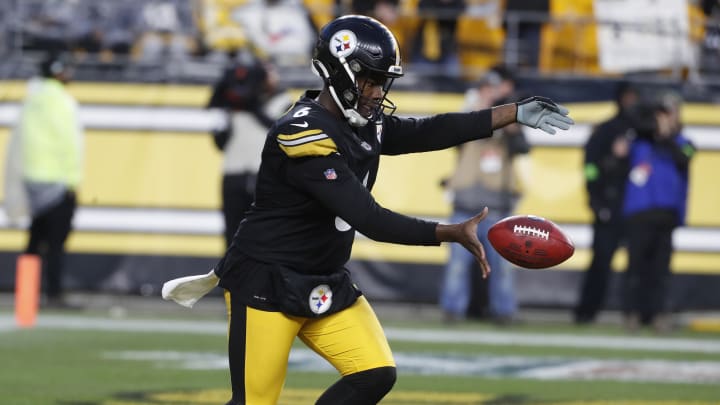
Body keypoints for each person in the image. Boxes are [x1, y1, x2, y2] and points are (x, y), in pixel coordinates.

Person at [162, 15, 573, 404]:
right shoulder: (302, 131)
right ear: (338, 72)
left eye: (382, 82)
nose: (377, 91)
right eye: (370, 80)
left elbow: (429, 130)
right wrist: (448, 232)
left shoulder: (362, 121)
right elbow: (368, 218)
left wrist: (510, 113)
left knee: (375, 373)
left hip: (324, 279)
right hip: (266, 280)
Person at [440, 68, 530, 324]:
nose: (488, 95)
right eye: (484, 90)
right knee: (458, 264)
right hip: (466, 200)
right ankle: (452, 310)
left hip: (497, 203)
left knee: (502, 264)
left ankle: (504, 311)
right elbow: (450, 139)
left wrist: (505, 121)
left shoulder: (508, 118)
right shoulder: (466, 115)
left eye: (492, 90)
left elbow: (522, 148)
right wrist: (475, 113)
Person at [621, 91, 694, 334]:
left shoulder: (684, 144)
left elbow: (683, 159)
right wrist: (654, 115)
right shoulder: (639, 141)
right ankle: (632, 313)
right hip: (640, 211)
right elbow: (631, 115)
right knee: (636, 267)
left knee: (660, 270)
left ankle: (656, 314)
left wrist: (666, 134)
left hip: (666, 213)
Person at [17, 53, 84, 309]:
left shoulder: (32, 98)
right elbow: (70, 144)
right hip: (57, 179)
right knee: (55, 243)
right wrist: (73, 180)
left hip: (33, 178)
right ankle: (53, 294)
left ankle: (26, 295)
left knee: (34, 240)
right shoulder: (63, 102)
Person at [207, 49, 292, 248]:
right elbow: (219, 143)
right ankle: (231, 277)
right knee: (232, 235)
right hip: (233, 174)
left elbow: (280, 131)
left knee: (266, 235)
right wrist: (226, 111)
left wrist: (253, 106)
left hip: (265, 177)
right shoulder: (232, 102)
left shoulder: (283, 102)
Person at [573, 81, 639, 325]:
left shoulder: (642, 131)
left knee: (638, 266)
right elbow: (589, 167)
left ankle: (635, 313)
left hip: (635, 208)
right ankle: (586, 312)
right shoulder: (606, 131)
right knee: (600, 264)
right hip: (609, 206)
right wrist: (596, 200)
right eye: (628, 96)